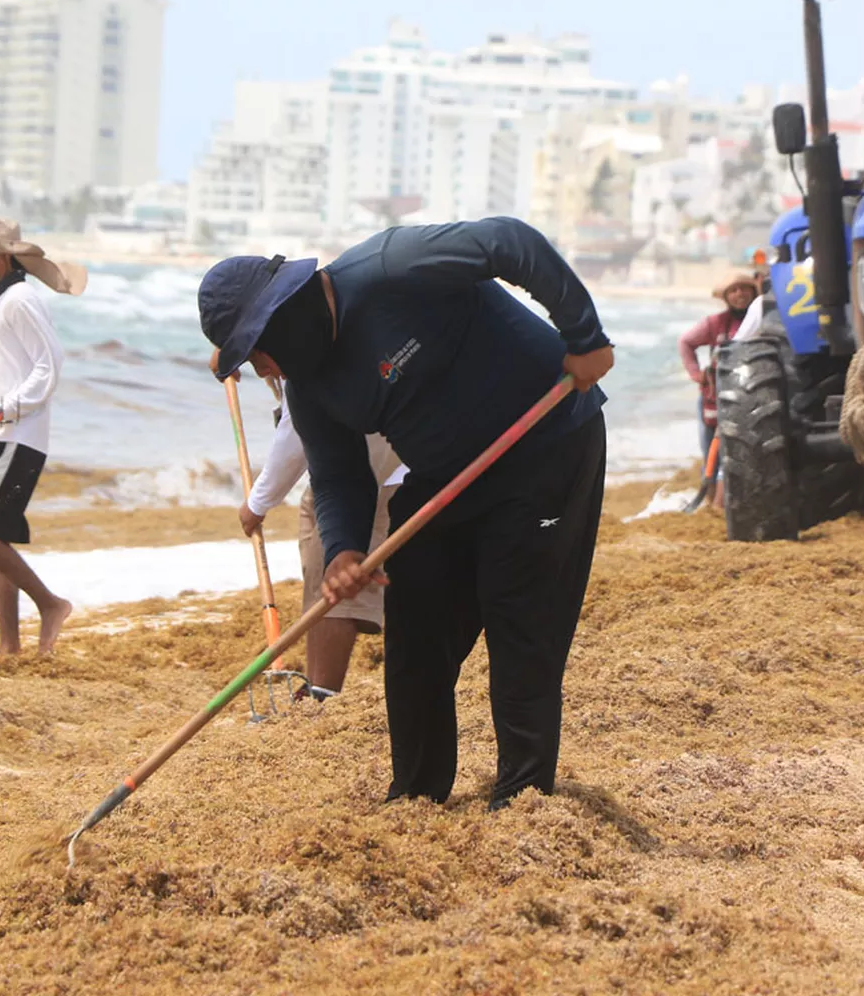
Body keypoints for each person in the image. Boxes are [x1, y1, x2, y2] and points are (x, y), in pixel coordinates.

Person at [199, 216, 614, 810]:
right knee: (415, 627)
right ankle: (416, 793)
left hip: (545, 442)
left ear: (286, 314)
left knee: (520, 625)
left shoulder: (392, 266)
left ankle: (523, 802)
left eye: (259, 351)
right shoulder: (309, 387)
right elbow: (338, 474)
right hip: (445, 478)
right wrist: (343, 549)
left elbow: (510, 243)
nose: (266, 369)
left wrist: (583, 335)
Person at [0, 218, 87, 656]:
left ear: (1, 256)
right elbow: (8, 354)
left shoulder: (20, 299)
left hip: (15, 435)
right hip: (3, 436)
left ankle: (50, 604)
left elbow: (49, 364)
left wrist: (4, 410)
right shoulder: (5, 301)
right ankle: (9, 647)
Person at [239, 379, 406, 700]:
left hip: (376, 454)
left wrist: (258, 503)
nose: (257, 368)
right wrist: (230, 351)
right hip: (343, 451)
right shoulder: (277, 346)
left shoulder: (299, 356)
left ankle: (323, 692)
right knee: (314, 541)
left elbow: (294, 436)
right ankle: (314, 682)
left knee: (333, 573)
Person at [677, 276, 758, 460]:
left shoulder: (763, 320)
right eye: (733, 290)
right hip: (715, 399)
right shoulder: (716, 323)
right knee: (712, 455)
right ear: (726, 297)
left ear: (754, 293)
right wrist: (697, 375)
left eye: (744, 288)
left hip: (752, 398)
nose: (740, 294)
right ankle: (711, 485)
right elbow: (685, 342)